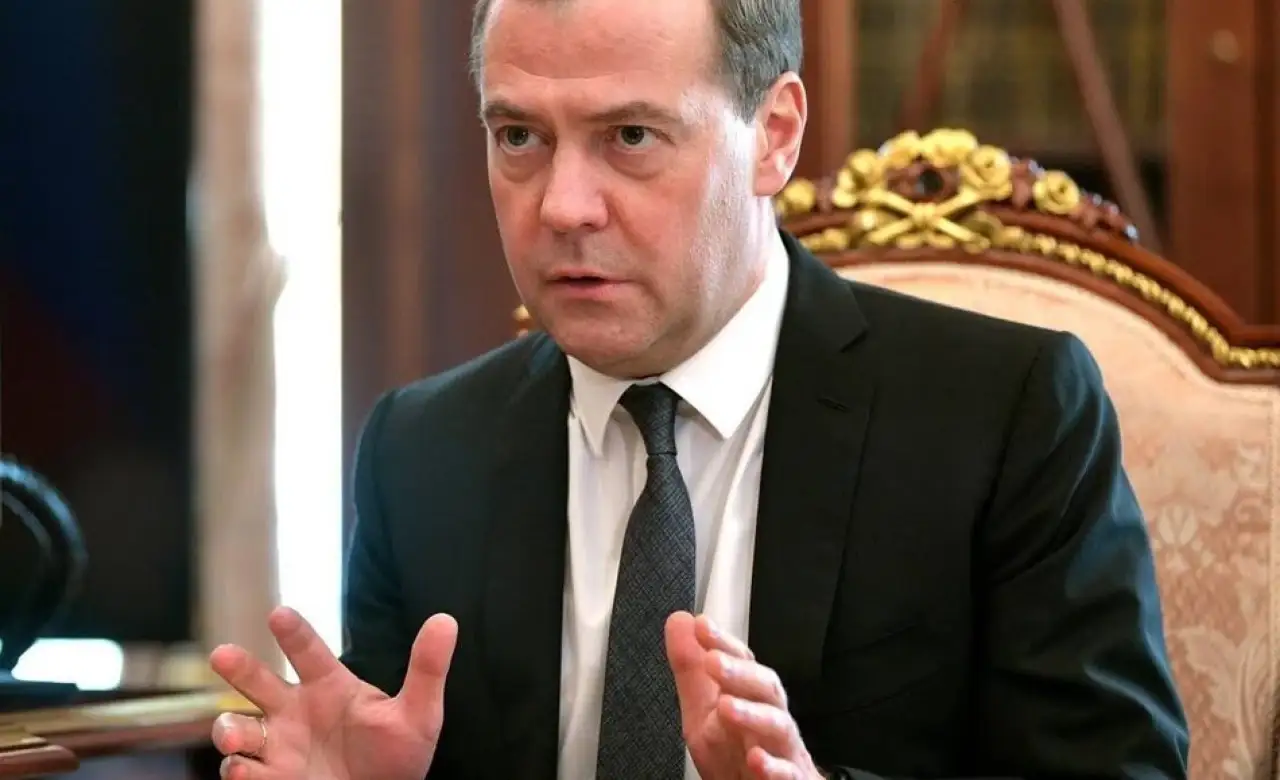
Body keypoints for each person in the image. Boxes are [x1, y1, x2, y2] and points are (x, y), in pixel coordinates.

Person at [207, 0, 1191, 777]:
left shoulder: (1004, 416)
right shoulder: (420, 452)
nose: (562, 207)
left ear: (774, 135)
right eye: (519, 137)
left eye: (631, 136)